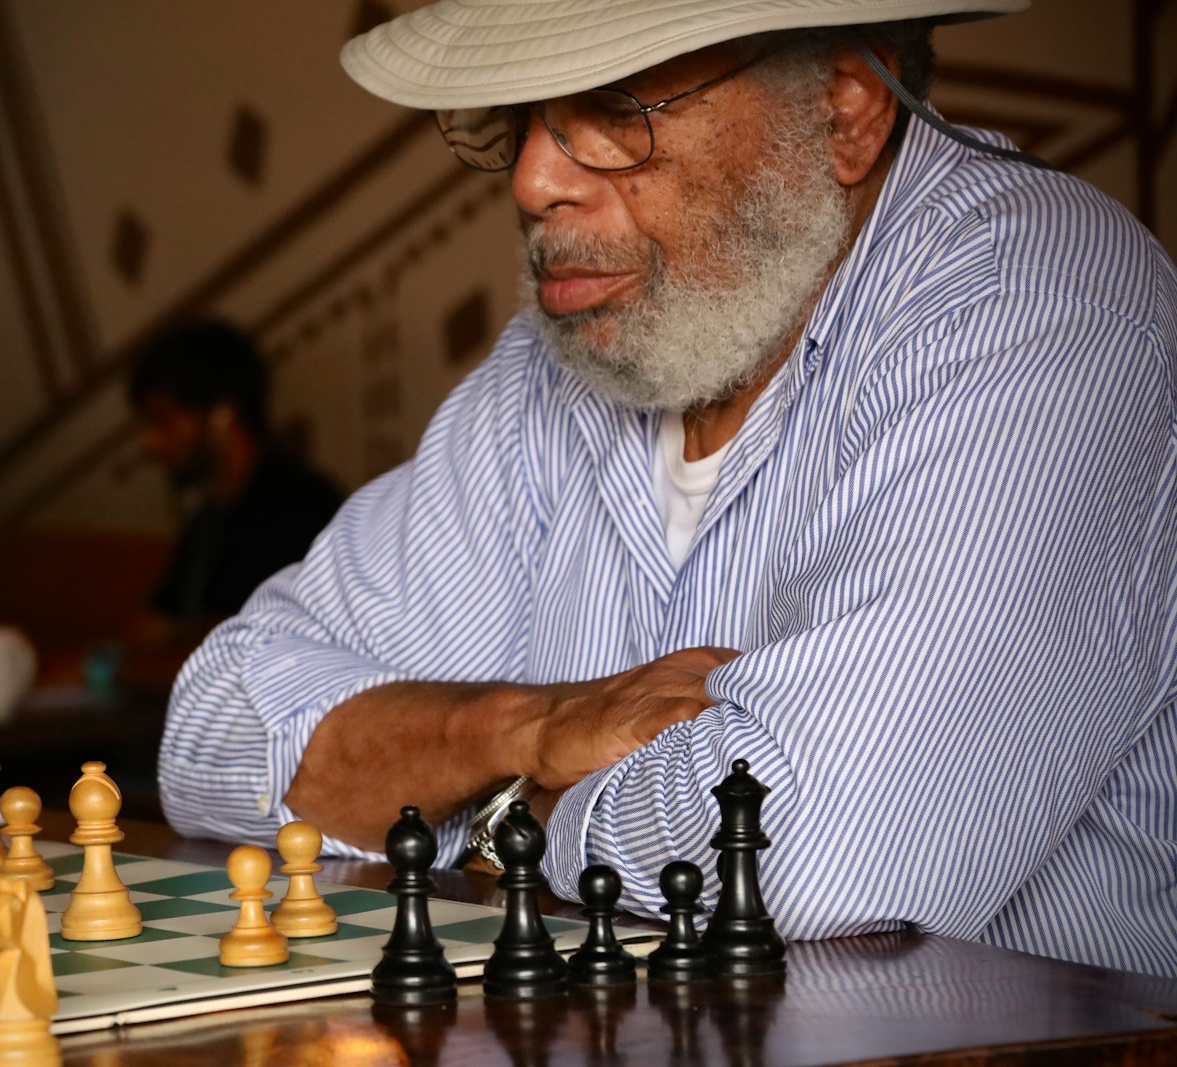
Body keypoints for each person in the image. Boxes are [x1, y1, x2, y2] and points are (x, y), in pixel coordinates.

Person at [158, 0, 1177, 978]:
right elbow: (212, 730)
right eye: (520, 118)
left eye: (611, 111)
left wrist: (485, 801)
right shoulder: (547, 372)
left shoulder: (1035, 308)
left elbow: (811, 857)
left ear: (842, 109)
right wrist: (527, 729)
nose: (532, 179)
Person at [127, 318, 343, 655]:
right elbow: (154, 628)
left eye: (163, 421)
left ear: (222, 415)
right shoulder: (209, 515)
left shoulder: (300, 507)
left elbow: (258, 642)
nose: (150, 443)